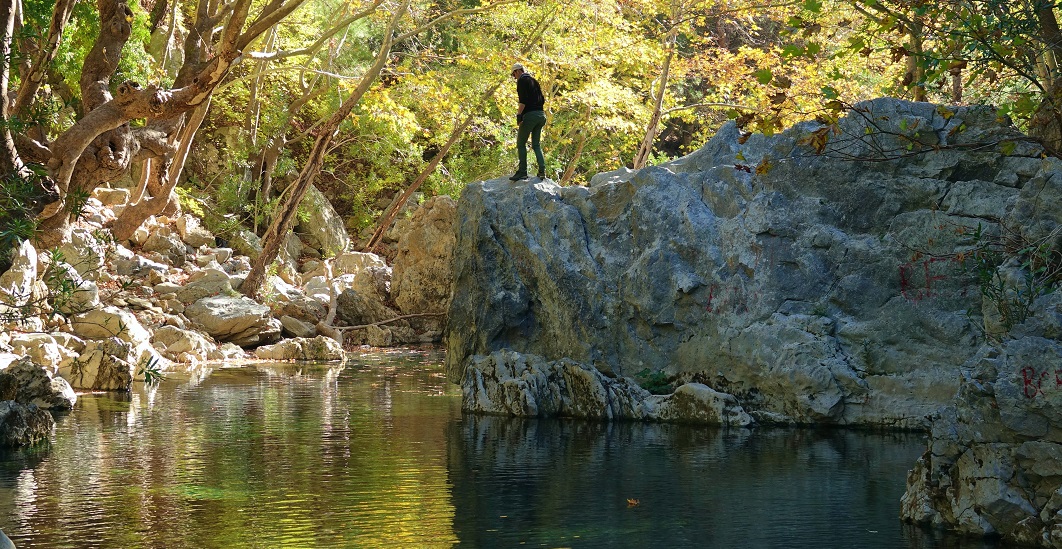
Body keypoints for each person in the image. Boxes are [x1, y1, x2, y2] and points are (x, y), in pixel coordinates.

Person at [510, 63, 546, 181]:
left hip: (530, 115)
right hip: (541, 115)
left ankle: (522, 171)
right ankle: (542, 171)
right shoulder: (534, 81)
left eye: (513, 75)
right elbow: (542, 99)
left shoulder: (522, 81)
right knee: (536, 144)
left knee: (521, 143)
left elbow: (523, 101)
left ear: (517, 71)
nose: (514, 77)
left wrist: (519, 115)